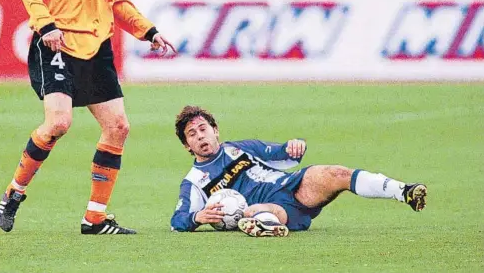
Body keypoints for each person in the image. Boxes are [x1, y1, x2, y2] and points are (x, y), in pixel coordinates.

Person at [0, 0, 176, 235]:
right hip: (57, 43)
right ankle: (14, 192)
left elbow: (118, 0)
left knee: (118, 127)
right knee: (59, 123)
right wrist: (45, 23)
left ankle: (94, 218)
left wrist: (149, 31)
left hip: (97, 48)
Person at [170, 106, 427, 237]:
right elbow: (177, 221)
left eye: (203, 129)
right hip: (271, 208)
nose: (200, 136)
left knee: (336, 173)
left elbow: (282, 154)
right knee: (254, 211)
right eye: (192, 134)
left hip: (293, 186)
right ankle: (267, 226)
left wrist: (294, 146)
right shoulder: (194, 183)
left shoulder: (241, 149)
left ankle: (403, 191)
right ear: (187, 145)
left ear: (215, 130)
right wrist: (198, 218)